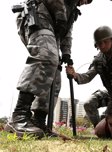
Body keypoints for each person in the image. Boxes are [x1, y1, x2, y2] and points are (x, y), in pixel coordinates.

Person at [5, 0, 93, 138]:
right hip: (38, 13)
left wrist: (66, 53)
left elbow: (67, 33)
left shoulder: (72, 8)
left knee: (55, 72)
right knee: (47, 56)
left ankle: (38, 121)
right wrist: (60, 16)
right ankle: (19, 115)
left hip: (53, 27)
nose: (84, 2)